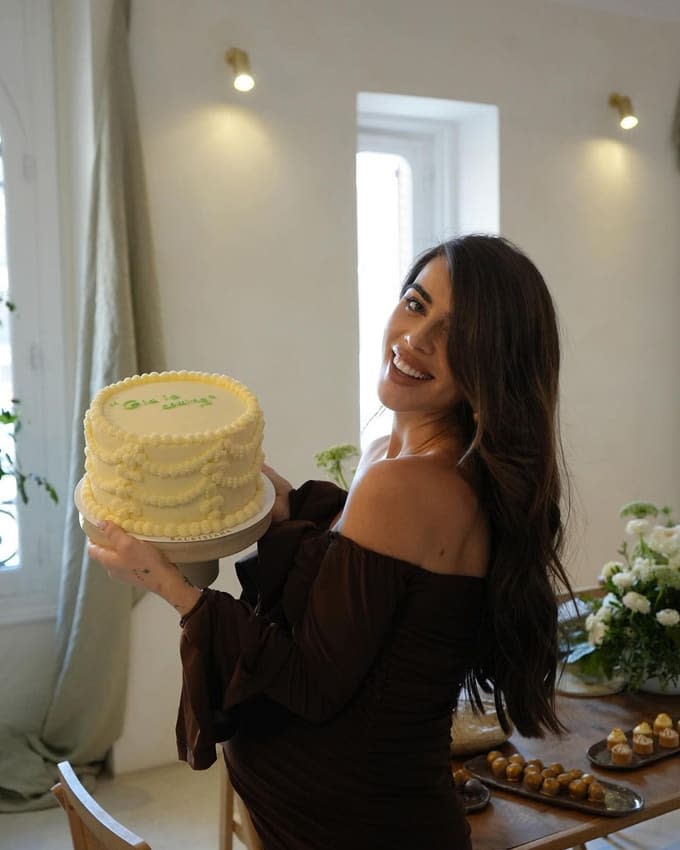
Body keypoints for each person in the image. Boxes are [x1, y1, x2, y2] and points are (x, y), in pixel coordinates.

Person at [89, 234, 572, 850]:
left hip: (358, 826)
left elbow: (312, 683)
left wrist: (173, 587)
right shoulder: (392, 460)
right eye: (416, 305)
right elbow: (359, 590)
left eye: (456, 332)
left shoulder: (410, 484)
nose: (415, 340)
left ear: (494, 364)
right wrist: (268, 500)